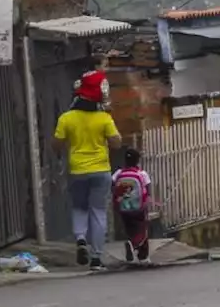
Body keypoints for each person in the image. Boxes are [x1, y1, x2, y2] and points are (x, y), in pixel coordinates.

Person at [54, 70, 121, 271]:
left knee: (79, 207)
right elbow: (117, 143)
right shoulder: (104, 119)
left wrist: (69, 144)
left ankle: (81, 239)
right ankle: (96, 258)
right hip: (101, 170)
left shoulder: (67, 118)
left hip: (77, 170)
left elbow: (56, 144)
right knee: (98, 211)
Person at [112, 148, 153, 265]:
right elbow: (148, 190)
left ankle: (130, 242)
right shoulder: (142, 174)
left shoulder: (119, 173)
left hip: (124, 208)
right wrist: (146, 202)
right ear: (138, 161)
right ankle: (143, 256)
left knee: (129, 229)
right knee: (142, 230)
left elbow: (112, 185)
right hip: (138, 208)